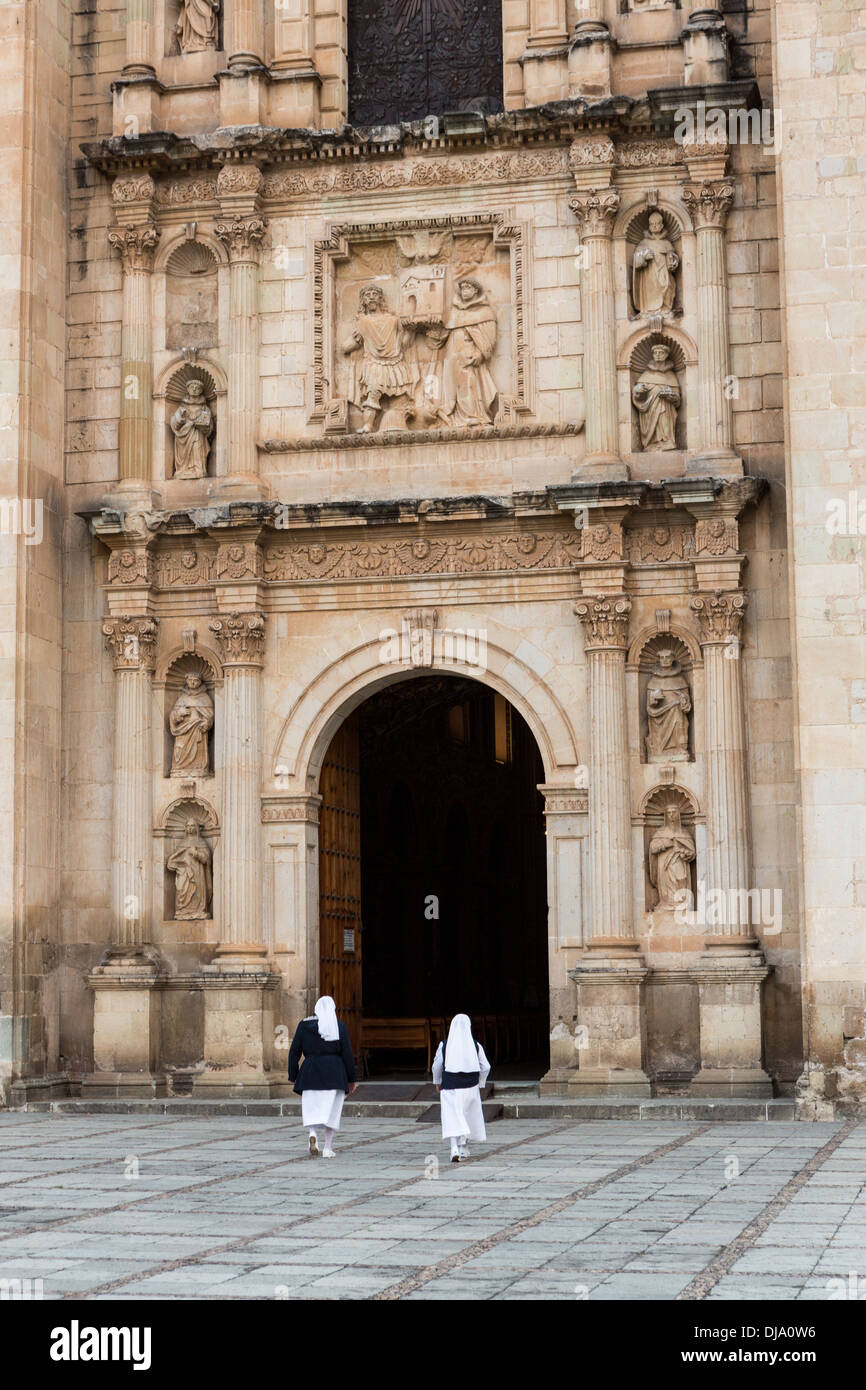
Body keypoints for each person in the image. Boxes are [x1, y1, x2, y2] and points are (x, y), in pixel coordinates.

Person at [287, 996, 357, 1158]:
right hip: (334, 1073)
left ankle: (312, 1134)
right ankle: (327, 1147)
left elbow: (294, 1051)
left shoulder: (304, 1026)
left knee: (312, 1108)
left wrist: (294, 1075)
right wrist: (351, 1079)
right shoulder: (339, 1026)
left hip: (310, 1072)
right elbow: (347, 1054)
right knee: (331, 1112)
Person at [432, 1014, 491, 1163]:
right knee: (467, 1115)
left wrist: (437, 1081)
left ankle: (453, 1148)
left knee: (451, 1116)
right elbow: (486, 1066)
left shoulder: (444, 1045)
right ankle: (463, 1147)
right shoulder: (475, 1045)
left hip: (450, 1087)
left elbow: (437, 1066)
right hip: (470, 1087)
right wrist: (481, 1082)